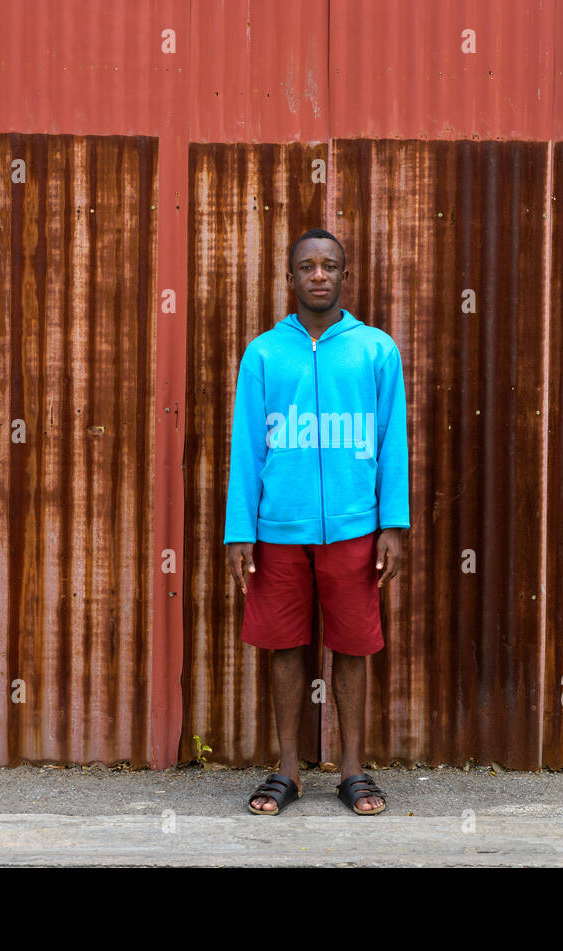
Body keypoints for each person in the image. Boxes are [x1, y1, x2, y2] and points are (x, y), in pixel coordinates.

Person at [224, 227, 410, 816]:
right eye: (307, 266)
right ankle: (287, 770)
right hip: (278, 527)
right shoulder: (263, 353)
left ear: (345, 277)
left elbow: (391, 441)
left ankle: (353, 770)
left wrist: (393, 523)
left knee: (351, 646)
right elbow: (248, 447)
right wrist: (239, 531)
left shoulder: (376, 349)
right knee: (284, 645)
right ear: (291, 278)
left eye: (330, 265)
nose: (319, 275)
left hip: (355, 528)